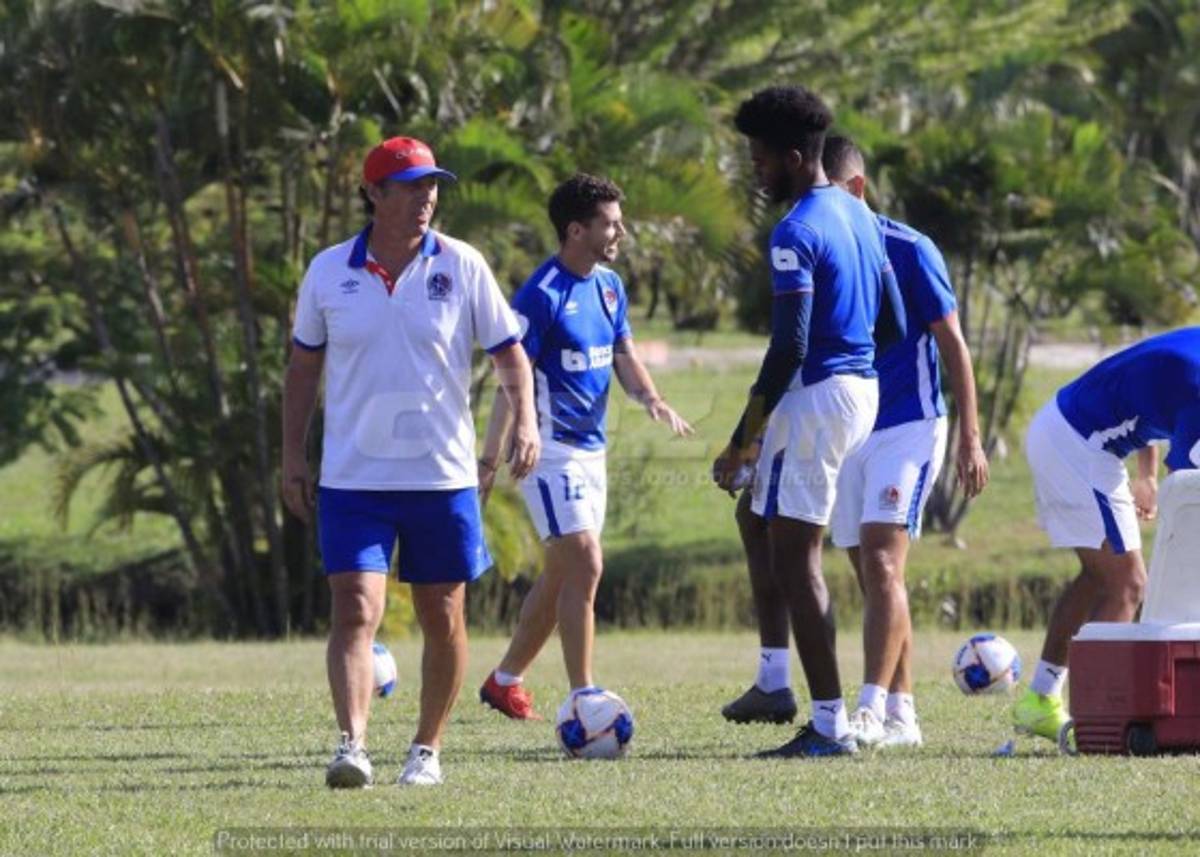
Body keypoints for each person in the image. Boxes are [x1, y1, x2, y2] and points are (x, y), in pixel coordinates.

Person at [281, 136, 538, 788]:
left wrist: (523, 423)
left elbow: (510, 353)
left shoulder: (465, 264)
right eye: (411, 185)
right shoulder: (328, 271)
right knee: (354, 609)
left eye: (432, 185)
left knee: (443, 613)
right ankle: (352, 744)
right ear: (374, 193)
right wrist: (292, 456)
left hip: (441, 476)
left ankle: (427, 749)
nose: (427, 197)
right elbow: (303, 368)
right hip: (352, 478)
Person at [721, 137, 989, 748]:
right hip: (849, 430)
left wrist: (970, 435)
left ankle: (866, 711)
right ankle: (903, 712)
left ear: (857, 190)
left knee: (882, 562)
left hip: (909, 425)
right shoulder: (820, 242)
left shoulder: (908, 248)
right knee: (872, 575)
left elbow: (951, 344)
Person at [712, 87, 904, 758]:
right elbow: (896, 322)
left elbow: (788, 346)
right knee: (761, 523)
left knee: (796, 553)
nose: (756, 172)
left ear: (795, 157)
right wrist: (850, 367)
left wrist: (743, 438)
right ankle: (777, 685)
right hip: (859, 390)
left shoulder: (795, 231)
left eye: (761, 160)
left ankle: (829, 725)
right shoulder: (859, 215)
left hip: (818, 395)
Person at [476, 173, 692, 719]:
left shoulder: (609, 285)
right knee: (586, 562)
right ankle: (584, 696)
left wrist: (651, 397)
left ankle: (505, 680)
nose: (620, 232)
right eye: (611, 223)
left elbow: (623, 353)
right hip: (548, 450)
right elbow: (510, 375)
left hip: (592, 452)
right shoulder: (541, 295)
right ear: (577, 230)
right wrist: (493, 455)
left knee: (562, 574)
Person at [1015, 326, 1200, 746]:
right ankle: (1100, 719)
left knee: (1100, 577)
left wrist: (1147, 475)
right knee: (1128, 584)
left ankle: (1040, 699)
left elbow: (1150, 390)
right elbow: (1190, 490)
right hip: (1077, 445)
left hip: (1071, 430)